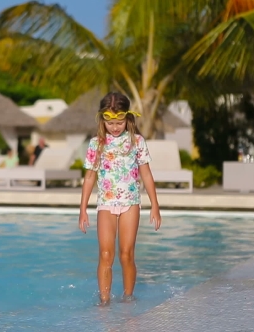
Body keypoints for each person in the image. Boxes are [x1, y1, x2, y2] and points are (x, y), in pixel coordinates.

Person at [78, 92, 162, 306]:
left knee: (126, 254)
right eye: (110, 122)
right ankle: (104, 302)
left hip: (130, 203)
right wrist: (83, 209)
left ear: (128, 118)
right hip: (106, 203)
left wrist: (155, 205)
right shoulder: (96, 144)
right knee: (106, 254)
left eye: (119, 122)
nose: (115, 127)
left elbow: (146, 174)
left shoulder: (136, 141)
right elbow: (89, 178)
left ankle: (128, 298)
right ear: (102, 119)